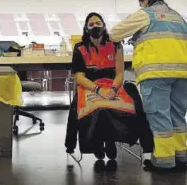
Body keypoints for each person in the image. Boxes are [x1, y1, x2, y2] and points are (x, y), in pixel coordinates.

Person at [110, 0, 187, 171]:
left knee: (159, 116)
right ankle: (182, 156)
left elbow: (114, 34)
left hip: (156, 73)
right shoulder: (178, 16)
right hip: (182, 73)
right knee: (177, 116)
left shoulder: (145, 14)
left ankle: (164, 160)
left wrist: (134, 32)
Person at [65, 12, 153, 168]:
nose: (95, 27)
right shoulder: (80, 48)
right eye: (91, 24)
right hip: (90, 86)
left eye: (98, 23)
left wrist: (113, 89)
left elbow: (120, 74)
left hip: (113, 85)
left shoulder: (115, 44)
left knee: (129, 107)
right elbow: (79, 77)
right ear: (86, 28)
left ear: (104, 25)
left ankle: (111, 139)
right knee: (96, 109)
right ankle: (97, 143)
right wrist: (98, 90)